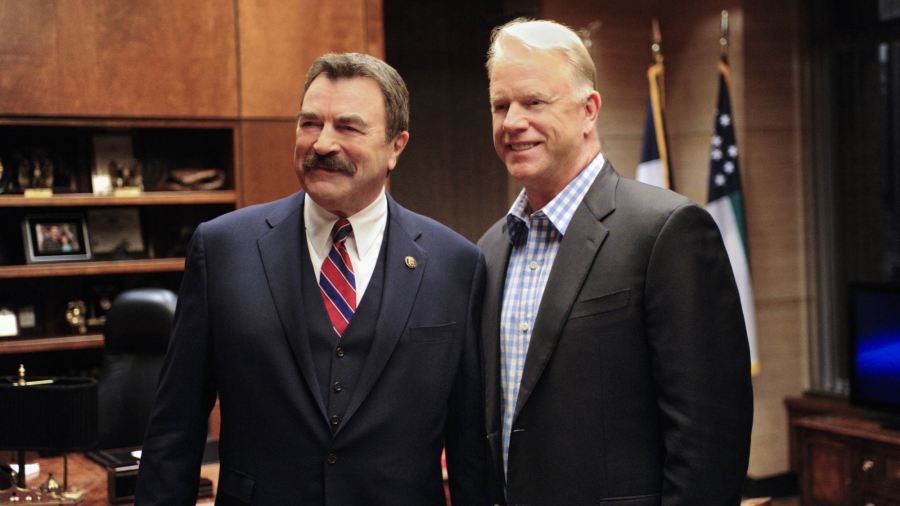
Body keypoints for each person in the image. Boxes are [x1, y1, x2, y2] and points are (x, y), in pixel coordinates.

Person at [135, 52, 487, 505]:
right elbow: (174, 430)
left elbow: (469, 450)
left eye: (348, 127)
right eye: (309, 124)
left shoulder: (455, 264)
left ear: (396, 147)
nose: (322, 144)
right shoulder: (222, 249)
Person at [478, 18, 753, 505]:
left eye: (534, 102)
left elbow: (710, 439)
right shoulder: (489, 250)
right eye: (501, 106)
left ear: (589, 110)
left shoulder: (667, 231)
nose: (512, 122)